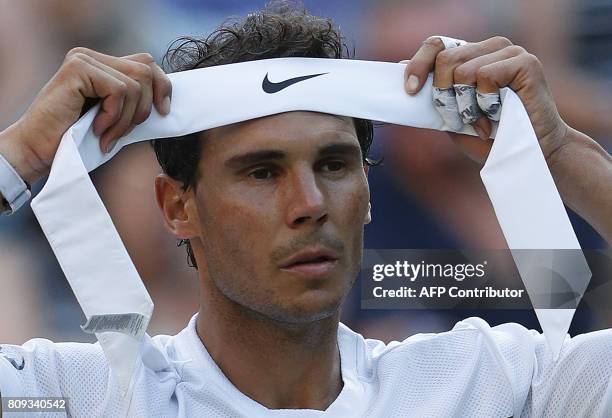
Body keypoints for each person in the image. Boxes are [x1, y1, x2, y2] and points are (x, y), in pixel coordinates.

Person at [1, 3, 611, 417]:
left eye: (335, 165)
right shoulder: (77, 396)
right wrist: (18, 156)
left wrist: (559, 152)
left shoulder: (489, 382)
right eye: (261, 172)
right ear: (177, 206)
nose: (310, 204)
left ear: (368, 190)